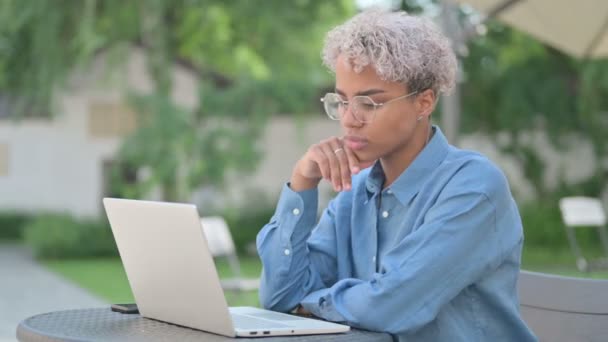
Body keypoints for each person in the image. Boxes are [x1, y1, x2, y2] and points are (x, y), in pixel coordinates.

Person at [256, 9, 536, 341]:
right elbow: (279, 297)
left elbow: (390, 306)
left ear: (424, 102)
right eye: (342, 102)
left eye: (370, 104)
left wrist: (310, 303)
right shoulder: (353, 191)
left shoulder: (474, 188)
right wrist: (302, 181)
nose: (349, 119)